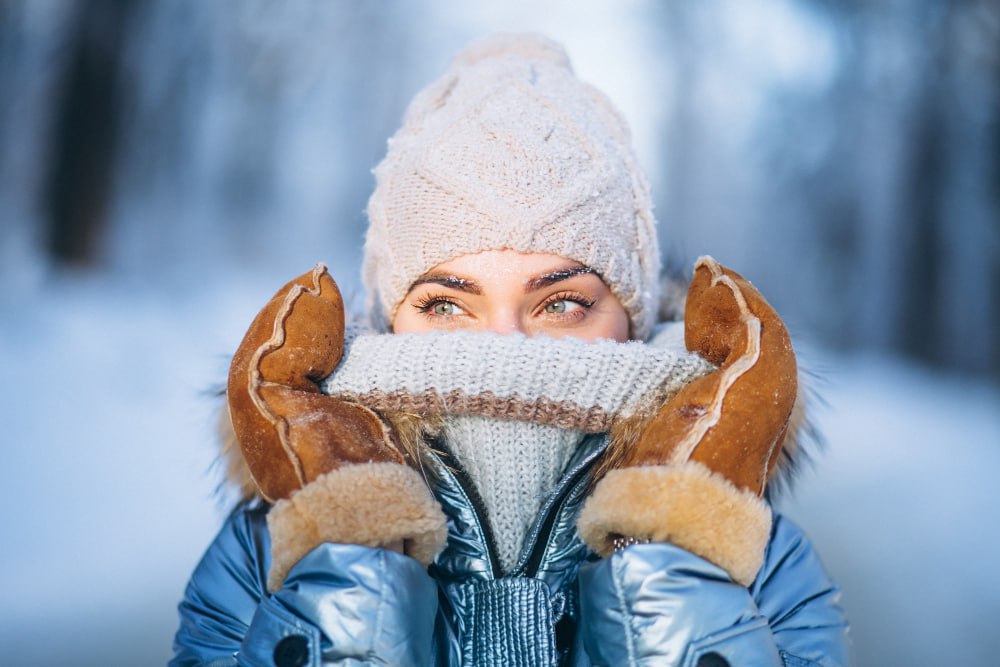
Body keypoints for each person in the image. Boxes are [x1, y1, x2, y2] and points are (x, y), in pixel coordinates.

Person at [171, 34, 849, 666]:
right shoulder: (272, 552)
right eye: (446, 304)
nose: (503, 349)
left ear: (633, 319)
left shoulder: (751, 558)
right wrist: (345, 565)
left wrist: (677, 561)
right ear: (390, 316)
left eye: (560, 304)